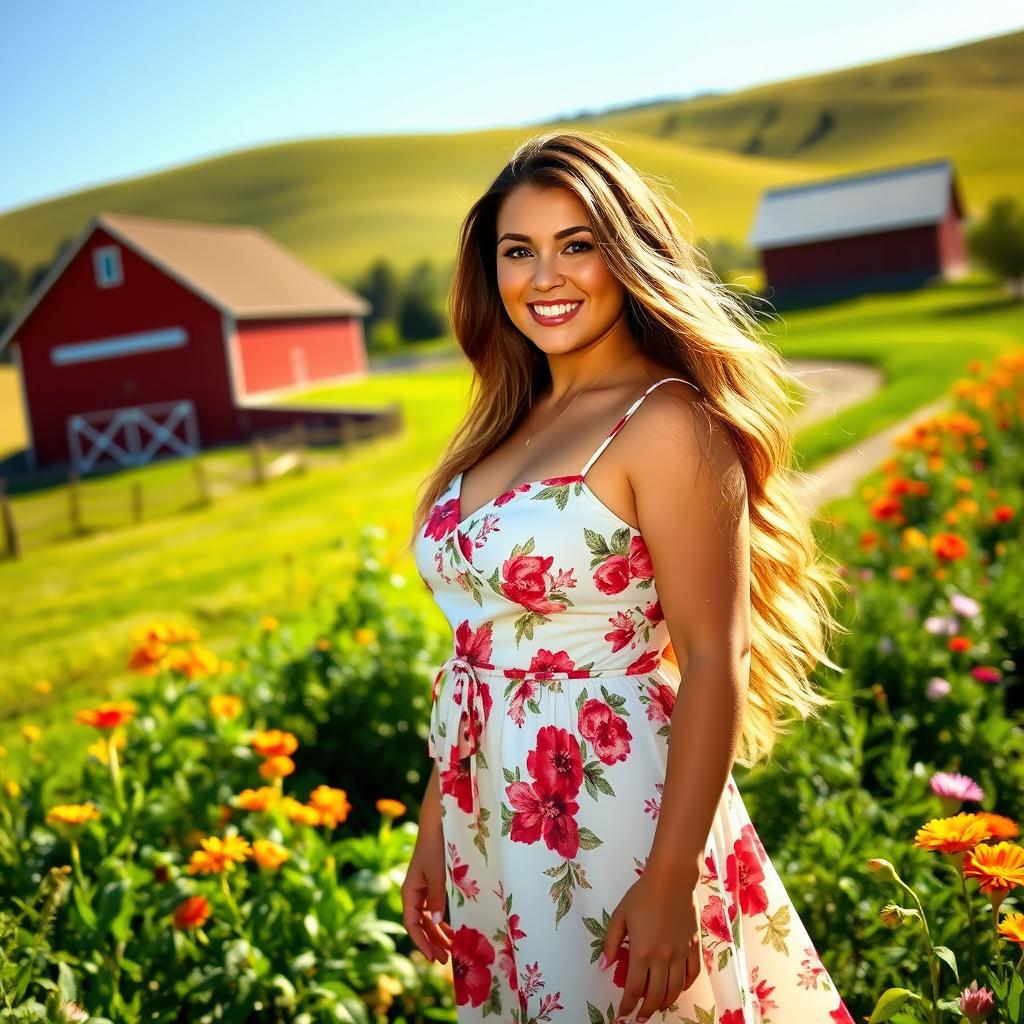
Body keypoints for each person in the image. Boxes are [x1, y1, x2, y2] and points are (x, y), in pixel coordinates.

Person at [402, 128, 853, 1023]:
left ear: (627, 254)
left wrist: (671, 876)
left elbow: (714, 660)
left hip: (614, 816)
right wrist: (436, 826)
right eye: (518, 251)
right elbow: (479, 651)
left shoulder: (666, 423)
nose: (545, 277)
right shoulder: (504, 422)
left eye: (578, 246)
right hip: (491, 810)